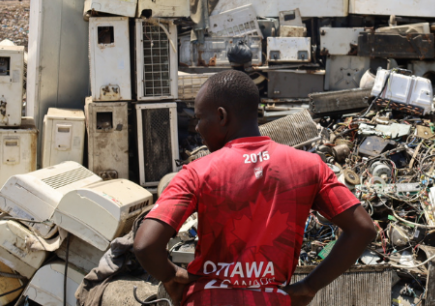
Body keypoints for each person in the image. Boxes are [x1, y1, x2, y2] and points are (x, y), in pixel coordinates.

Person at [134, 70, 376, 306]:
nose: (196, 128)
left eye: (199, 118)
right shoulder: (309, 166)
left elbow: (146, 245)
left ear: (221, 116)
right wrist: (308, 287)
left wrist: (172, 276)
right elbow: (363, 229)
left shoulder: (197, 172)